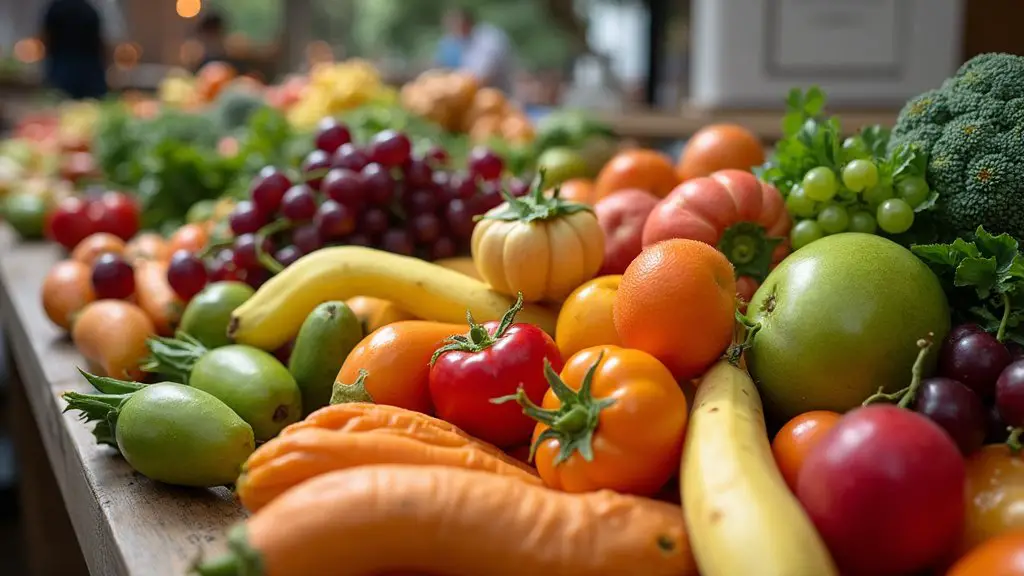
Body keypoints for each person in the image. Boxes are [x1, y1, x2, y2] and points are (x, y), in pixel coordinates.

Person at [40, 0, 108, 100]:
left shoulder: (55, 9)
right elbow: (100, 43)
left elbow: (46, 40)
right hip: (91, 71)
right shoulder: (89, 10)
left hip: (61, 68)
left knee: (60, 108)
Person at [445, 7, 515, 94]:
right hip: (484, 95)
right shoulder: (464, 43)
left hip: (501, 95)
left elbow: (485, 76)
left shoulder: (489, 38)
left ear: (465, 23)